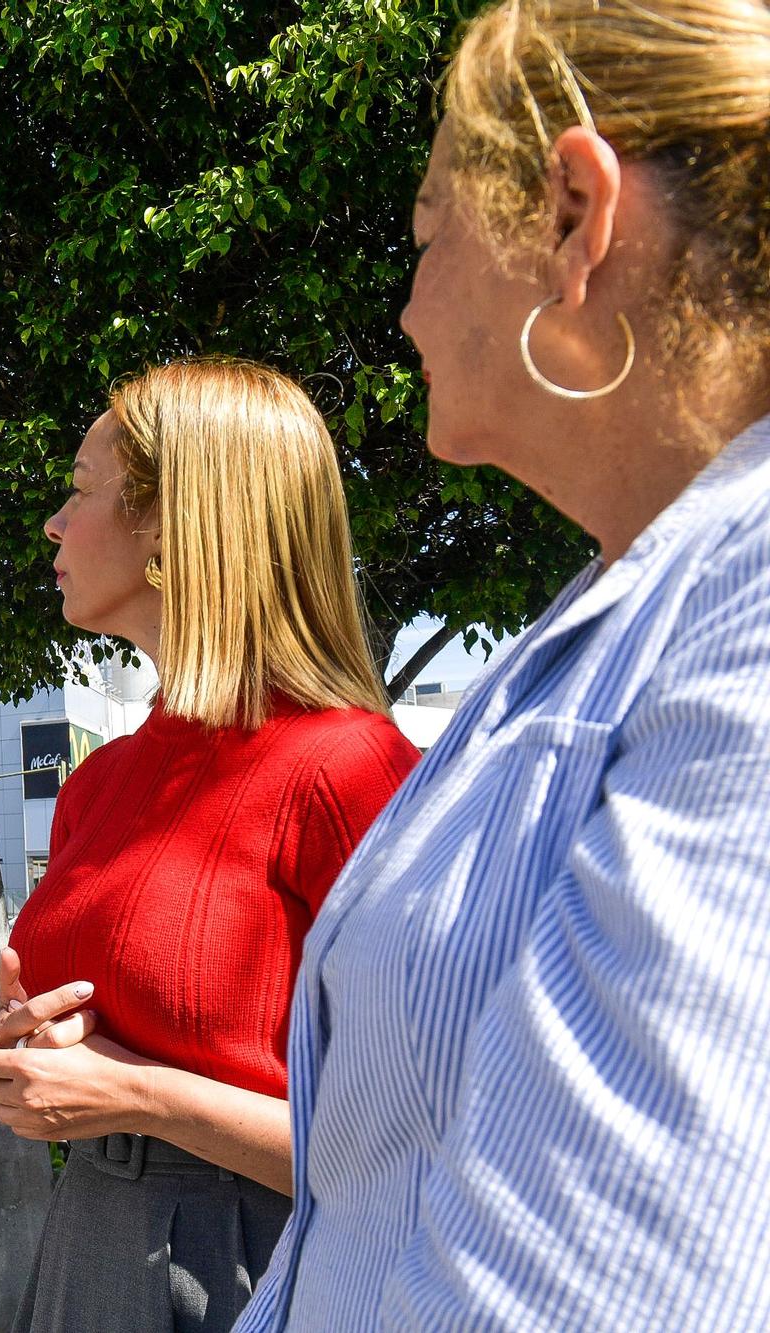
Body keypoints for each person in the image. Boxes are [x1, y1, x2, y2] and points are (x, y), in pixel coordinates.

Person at [231, 1, 770, 1327]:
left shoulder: (743, 600)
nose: (406, 305)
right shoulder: (617, 608)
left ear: (578, 216)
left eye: (425, 234)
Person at [0, 359, 421, 1330]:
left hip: (255, 1266)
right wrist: (36, 1060)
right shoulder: (94, 783)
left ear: (173, 524)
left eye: (80, 490)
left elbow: (429, 1144)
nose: (51, 521)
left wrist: (133, 1091)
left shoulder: (349, 770)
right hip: (87, 1238)